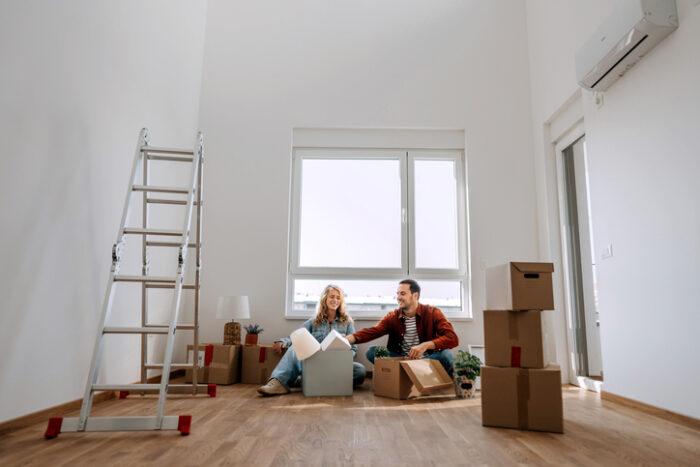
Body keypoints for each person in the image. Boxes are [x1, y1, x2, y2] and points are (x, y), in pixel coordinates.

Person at [257, 284, 366, 396]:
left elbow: (353, 348)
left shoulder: (347, 323)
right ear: (325, 299)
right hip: (315, 361)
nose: (335, 300)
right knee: (294, 348)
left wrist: (340, 357)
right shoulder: (313, 321)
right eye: (332, 297)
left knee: (360, 371)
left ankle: (305, 380)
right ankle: (278, 383)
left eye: (338, 298)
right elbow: (297, 336)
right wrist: (283, 342)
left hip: (336, 364)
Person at [346, 279, 458, 374]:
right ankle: (412, 373)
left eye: (403, 294)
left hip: (426, 360)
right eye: (397, 294)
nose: (398, 297)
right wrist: (348, 339)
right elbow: (373, 331)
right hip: (401, 360)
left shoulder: (432, 312)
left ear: (415, 295)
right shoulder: (393, 317)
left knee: (446, 356)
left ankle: (408, 373)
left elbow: (452, 338)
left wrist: (425, 345)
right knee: (372, 351)